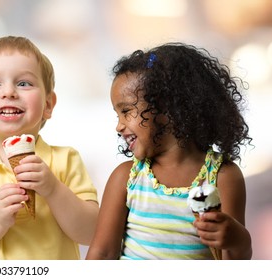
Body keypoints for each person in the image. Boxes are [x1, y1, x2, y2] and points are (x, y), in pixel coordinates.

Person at [86, 42, 253, 260]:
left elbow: (234, 261)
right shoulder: (127, 177)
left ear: (167, 107)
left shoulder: (223, 176)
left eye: (126, 111)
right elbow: (103, 252)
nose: (119, 126)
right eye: (118, 115)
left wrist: (238, 240)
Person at [0, 36, 99, 260]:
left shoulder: (67, 160)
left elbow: (91, 233)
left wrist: (53, 189)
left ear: (48, 104)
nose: (8, 92)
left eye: (23, 83)